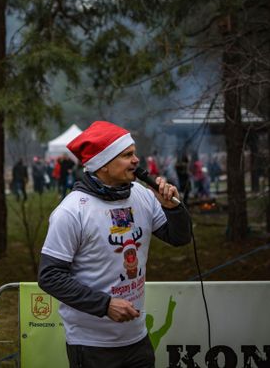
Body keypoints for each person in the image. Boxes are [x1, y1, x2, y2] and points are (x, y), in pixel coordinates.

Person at [38, 121, 192, 368]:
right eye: (127, 155)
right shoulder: (72, 211)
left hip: (137, 338)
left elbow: (179, 238)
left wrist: (173, 209)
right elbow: (50, 276)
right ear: (104, 164)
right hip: (91, 344)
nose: (136, 161)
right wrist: (105, 305)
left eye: (134, 153)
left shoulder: (141, 195)